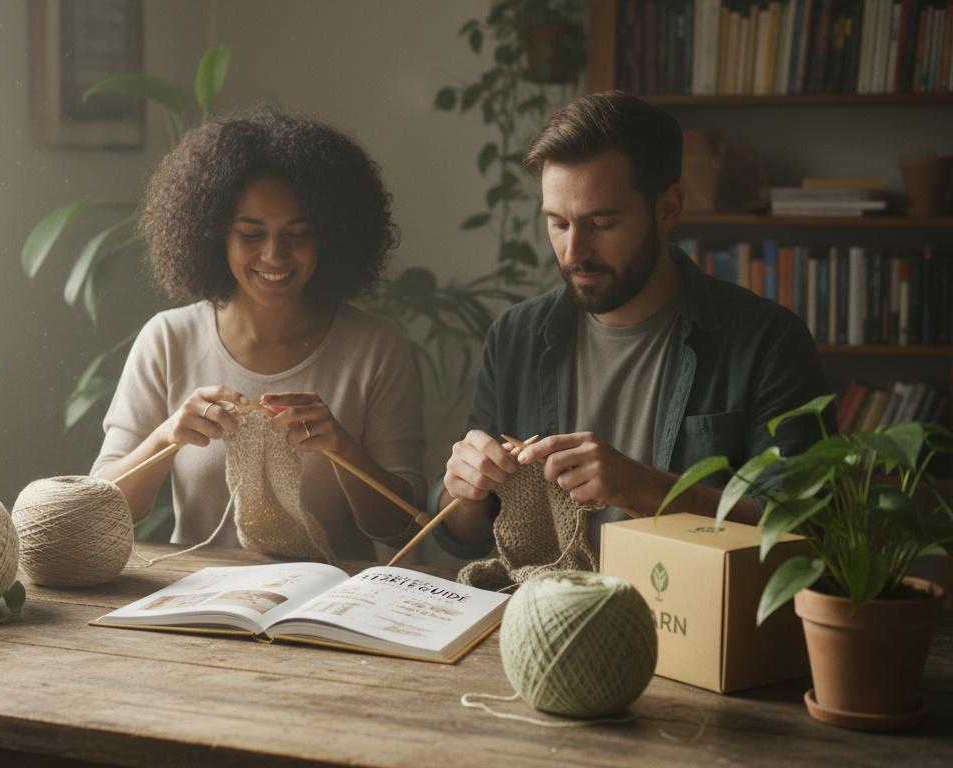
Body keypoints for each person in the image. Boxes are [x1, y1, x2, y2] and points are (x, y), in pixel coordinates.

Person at [433, 91, 831, 560]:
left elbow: (805, 531)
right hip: (540, 612)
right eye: (558, 223)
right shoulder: (514, 337)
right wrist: (464, 490)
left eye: (601, 223)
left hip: (687, 618)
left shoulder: (767, 341)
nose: (574, 251)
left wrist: (643, 488)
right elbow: (464, 536)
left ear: (668, 209)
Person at [92, 107, 425, 561]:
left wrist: (342, 448)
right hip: (198, 599)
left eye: (298, 234)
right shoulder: (168, 340)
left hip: (333, 600)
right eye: (251, 234)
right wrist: (168, 436)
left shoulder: (375, 347)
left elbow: (404, 525)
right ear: (213, 236)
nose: (274, 255)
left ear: (330, 237)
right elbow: (99, 509)